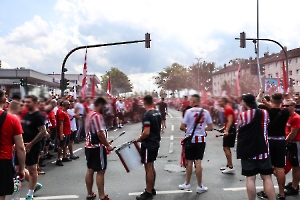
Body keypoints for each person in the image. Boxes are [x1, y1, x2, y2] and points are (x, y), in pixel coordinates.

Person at [237, 94, 276, 200]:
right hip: (263, 149)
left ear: (245, 103)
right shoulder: (264, 113)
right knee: (267, 177)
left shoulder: (242, 115)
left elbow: (239, 129)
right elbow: (267, 124)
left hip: (248, 151)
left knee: (250, 178)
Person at [256, 93, 290, 200]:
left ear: (271, 99)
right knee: (280, 168)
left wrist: (263, 97)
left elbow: (257, 101)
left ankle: (267, 192)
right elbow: (278, 108)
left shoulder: (265, 110)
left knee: (268, 168)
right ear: (282, 100)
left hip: (269, 141)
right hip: (281, 141)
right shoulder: (285, 112)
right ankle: (281, 194)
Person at [178, 94, 213, 194]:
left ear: (193, 101)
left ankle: (187, 183)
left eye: (190, 100)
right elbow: (210, 127)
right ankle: (200, 185)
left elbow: (181, 127)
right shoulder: (205, 112)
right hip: (201, 140)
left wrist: (188, 130)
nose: (189, 102)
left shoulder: (188, 111)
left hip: (190, 139)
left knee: (189, 162)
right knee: (198, 162)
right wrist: (203, 129)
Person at [19, 95, 48, 200]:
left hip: (33, 146)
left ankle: (30, 194)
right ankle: (35, 185)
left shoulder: (38, 116)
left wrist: (31, 143)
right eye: (25, 102)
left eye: (29, 102)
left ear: (35, 103)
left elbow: (43, 131)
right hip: (23, 145)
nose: (26, 104)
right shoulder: (26, 115)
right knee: (18, 169)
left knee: (32, 169)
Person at [85, 97, 114, 200]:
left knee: (90, 170)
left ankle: (89, 194)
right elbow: (100, 133)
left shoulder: (89, 114)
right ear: (100, 105)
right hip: (97, 147)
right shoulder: (97, 116)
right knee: (100, 171)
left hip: (88, 146)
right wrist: (108, 145)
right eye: (104, 106)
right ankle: (102, 196)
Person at [0, 89, 26, 200]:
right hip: (3, 160)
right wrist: (21, 168)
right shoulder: (11, 119)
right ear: (5, 99)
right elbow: (20, 148)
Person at [136, 95, 162, 200]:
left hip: (148, 144)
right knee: (151, 166)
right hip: (155, 142)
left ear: (144, 102)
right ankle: (152, 188)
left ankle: (148, 192)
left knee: (148, 168)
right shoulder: (157, 112)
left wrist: (140, 138)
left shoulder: (147, 115)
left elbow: (146, 132)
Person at [284, 99, 300, 196]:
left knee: (297, 166)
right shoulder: (288, 117)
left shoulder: (296, 118)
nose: (285, 107)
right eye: (284, 105)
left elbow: (293, 133)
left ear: (293, 106)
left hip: (296, 143)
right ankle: (294, 183)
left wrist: (284, 142)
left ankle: (295, 187)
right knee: (294, 165)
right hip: (291, 143)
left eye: (287, 106)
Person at [218, 97, 236, 174]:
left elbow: (230, 121)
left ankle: (231, 167)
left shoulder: (228, 109)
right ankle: (228, 165)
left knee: (226, 148)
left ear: (224, 102)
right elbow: (228, 121)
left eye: (220, 101)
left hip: (231, 130)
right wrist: (223, 128)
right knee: (226, 148)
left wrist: (227, 131)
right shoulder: (227, 109)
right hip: (230, 129)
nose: (219, 103)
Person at [55, 100, 72, 166]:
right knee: (61, 146)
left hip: (67, 131)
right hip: (64, 132)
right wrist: (61, 134)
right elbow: (61, 124)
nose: (70, 105)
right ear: (65, 105)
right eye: (68, 104)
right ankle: (58, 159)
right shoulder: (61, 113)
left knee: (65, 145)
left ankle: (64, 157)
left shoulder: (66, 112)